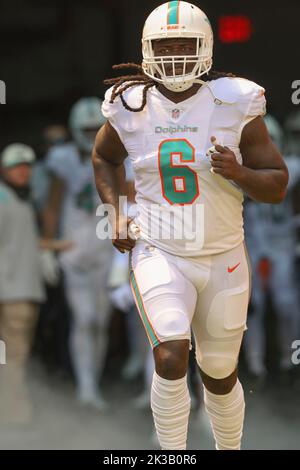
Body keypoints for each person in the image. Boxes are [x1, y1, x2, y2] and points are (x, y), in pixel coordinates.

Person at [92, 1, 288, 450]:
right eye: (166, 45)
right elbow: (104, 157)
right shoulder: (130, 103)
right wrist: (115, 210)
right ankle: (171, 455)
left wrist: (239, 173)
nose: (176, 53)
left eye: (186, 44)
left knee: (219, 372)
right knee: (171, 352)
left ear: (207, 48)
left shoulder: (235, 101)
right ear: (147, 50)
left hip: (223, 254)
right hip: (160, 248)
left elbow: (276, 185)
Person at [43, 98, 112, 409]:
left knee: (100, 320)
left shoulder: (115, 154)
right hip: (73, 247)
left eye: (93, 127)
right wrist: (47, 243)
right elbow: (53, 204)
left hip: (107, 247)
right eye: (84, 128)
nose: (89, 133)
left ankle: (92, 380)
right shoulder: (62, 159)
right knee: (84, 319)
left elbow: (128, 198)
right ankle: (86, 385)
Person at [243, 115, 300, 381]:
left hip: (282, 243)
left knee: (286, 302)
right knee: (253, 306)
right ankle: (256, 366)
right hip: (251, 245)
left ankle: (290, 360)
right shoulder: (238, 171)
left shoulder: (291, 168)